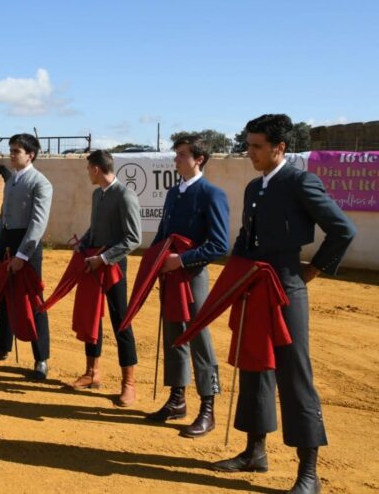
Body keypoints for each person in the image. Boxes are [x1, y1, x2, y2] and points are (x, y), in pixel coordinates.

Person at [211, 114, 356, 494]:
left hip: (287, 289)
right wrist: (236, 276)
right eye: (249, 144)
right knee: (254, 365)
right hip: (254, 288)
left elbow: (343, 230)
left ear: (280, 148)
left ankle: (309, 472)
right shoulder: (254, 187)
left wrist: (314, 271)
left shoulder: (300, 181)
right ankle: (254, 452)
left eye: (257, 146)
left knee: (294, 374)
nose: (250, 152)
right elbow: (246, 238)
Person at [144, 135, 229, 437]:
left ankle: (208, 407)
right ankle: (177, 399)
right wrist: (153, 265)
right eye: (176, 154)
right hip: (169, 275)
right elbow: (163, 235)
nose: (176, 159)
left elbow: (219, 245)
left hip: (193, 277)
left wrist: (181, 261)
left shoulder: (211, 194)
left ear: (199, 159)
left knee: (199, 338)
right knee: (173, 335)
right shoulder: (172, 194)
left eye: (181, 155)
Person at [0, 133, 53, 380]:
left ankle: (41, 359)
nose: (12, 154)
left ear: (31, 155)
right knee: (5, 297)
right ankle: (0, 347)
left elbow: (38, 224)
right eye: (12, 149)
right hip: (7, 243)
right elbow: (2, 218)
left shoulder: (41, 183)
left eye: (17, 150)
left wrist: (22, 255)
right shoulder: (12, 181)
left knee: (33, 301)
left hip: (26, 247)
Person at [68, 150, 142, 407]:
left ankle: (128, 384)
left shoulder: (125, 195)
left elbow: (133, 238)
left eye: (89, 168)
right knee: (92, 315)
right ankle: (92, 372)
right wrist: (85, 243)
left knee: (121, 320)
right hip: (94, 262)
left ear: (96, 169)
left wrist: (105, 258)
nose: (87, 173)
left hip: (113, 265)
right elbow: (96, 227)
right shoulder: (98, 194)